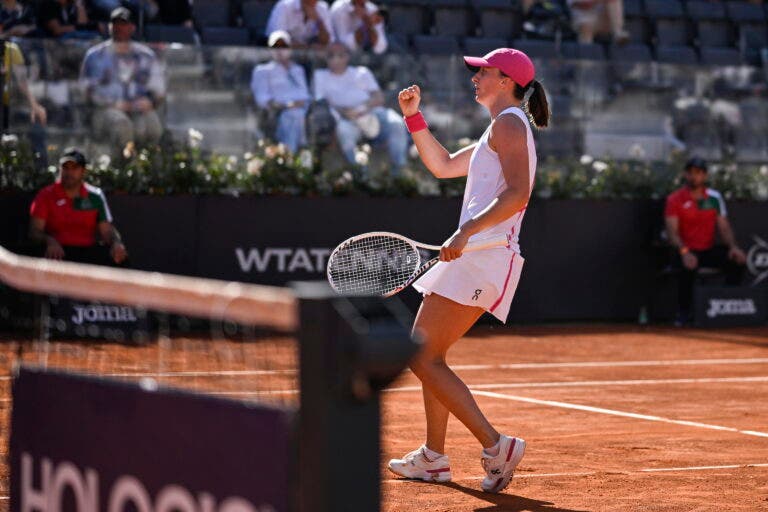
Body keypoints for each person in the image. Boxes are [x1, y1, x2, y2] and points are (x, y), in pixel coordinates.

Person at [387, 48, 550, 493]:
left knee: (420, 354)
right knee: (429, 355)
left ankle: (496, 445)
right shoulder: (498, 129)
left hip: (483, 253)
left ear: (505, 80)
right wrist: (413, 118)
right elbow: (441, 166)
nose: (475, 77)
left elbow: (517, 194)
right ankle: (434, 457)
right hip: (477, 253)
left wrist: (465, 233)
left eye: (483, 71)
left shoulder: (510, 124)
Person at [664, 157, 747, 325]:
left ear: (705, 176)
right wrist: (685, 252)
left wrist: (733, 247)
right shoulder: (675, 199)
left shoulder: (714, 198)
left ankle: (725, 306)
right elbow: (672, 233)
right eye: (691, 173)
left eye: (699, 173)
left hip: (707, 250)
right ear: (685, 175)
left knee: (737, 261)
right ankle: (684, 313)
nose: (694, 177)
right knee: (686, 266)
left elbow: (724, 227)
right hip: (684, 249)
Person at [312, 41, 407, 173]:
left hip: (371, 113)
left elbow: (379, 97)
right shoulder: (320, 76)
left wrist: (363, 108)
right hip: (345, 118)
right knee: (344, 132)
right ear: (325, 58)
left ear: (348, 56)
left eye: (340, 55)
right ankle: (360, 175)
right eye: (331, 55)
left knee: (397, 123)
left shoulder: (362, 72)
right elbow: (322, 102)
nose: (336, 59)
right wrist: (346, 112)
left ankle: (399, 171)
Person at [80, 7, 165, 152]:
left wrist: (150, 101)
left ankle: (145, 168)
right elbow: (85, 90)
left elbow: (158, 89)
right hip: (104, 110)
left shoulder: (146, 55)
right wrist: (113, 104)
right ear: (109, 27)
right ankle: (122, 168)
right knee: (122, 125)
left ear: (132, 27)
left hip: (138, 109)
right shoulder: (95, 55)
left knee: (152, 125)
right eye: (115, 24)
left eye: (124, 24)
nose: (119, 28)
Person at [29, 147, 128, 266]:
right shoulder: (45, 195)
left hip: (87, 254)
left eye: (74, 168)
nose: (69, 172)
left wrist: (116, 243)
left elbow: (107, 231)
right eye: (65, 168)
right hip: (57, 254)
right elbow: (34, 232)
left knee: (121, 259)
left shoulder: (95, 196)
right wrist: (50, 241)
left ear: (83, 171)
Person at [251, 30, 311, 153]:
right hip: (277, 114)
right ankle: (293, 156)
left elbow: (305, 96)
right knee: (294, 116)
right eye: (276, 46)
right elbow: (262, 99)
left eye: (283, 46)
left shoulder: (298, 70)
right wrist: (286, 106)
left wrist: (299, 105)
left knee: (299, 116)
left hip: (302, 114)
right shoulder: (262, 71)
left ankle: (298, 158)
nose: (280, 50)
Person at [2, 39, 48, 167]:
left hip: (8, 109)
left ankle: (40, 173)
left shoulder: (12, 50)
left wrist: (34, 105)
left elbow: (22, 82)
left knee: (36, 129)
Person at [265, 0, 333, 49]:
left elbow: (327, 42)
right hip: (282, 56)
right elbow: (278, 42)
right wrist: (307, 48)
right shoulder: (284, 6)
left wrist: (318, 22)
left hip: (311, 58)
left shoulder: (322, 8)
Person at [36, 0, 101, 39]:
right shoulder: (49, 4)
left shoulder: (69, 7)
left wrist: (79, 5)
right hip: (51, 41)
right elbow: (57, 30)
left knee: (95, 35)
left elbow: (82, 24)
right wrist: (78, 27)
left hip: (71, 37)